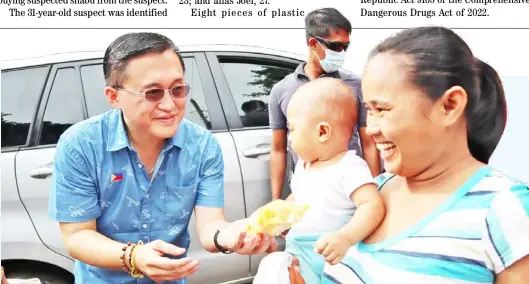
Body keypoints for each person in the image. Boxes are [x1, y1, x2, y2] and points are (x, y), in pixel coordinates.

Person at [48, 32, 276, 284]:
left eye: (177, 89)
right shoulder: (81, 144)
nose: (170, 105)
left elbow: (211, 226)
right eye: (153, 93)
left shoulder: (202, 146)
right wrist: (135, 257)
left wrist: (231, 236)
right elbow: (78, 237)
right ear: (114, 97)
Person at [322, 26, 529, 283]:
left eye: (382, 109)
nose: (371, 128)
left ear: (449, 105)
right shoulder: (373, 192)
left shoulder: (505, 208)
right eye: (369, 110)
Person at [254, 78, 385, 284]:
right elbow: (299, 197)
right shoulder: (304, 166)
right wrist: (280, 215)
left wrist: (346, 238)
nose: (289, 137)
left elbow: (372, 205)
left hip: (334, 255)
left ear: (322, 132)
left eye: (293, 129)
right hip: (298, 249)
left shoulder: (349, 167)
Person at [268, 8, 381, 201]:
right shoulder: (282, 90)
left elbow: (368, 143)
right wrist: (276, 200)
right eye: (336, 47)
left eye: (346, 47)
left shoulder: (355, 85)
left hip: (349, 188)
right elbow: (278, 150)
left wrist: (377, 187)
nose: (342, 53)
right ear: (313, 43)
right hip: (306, 187)